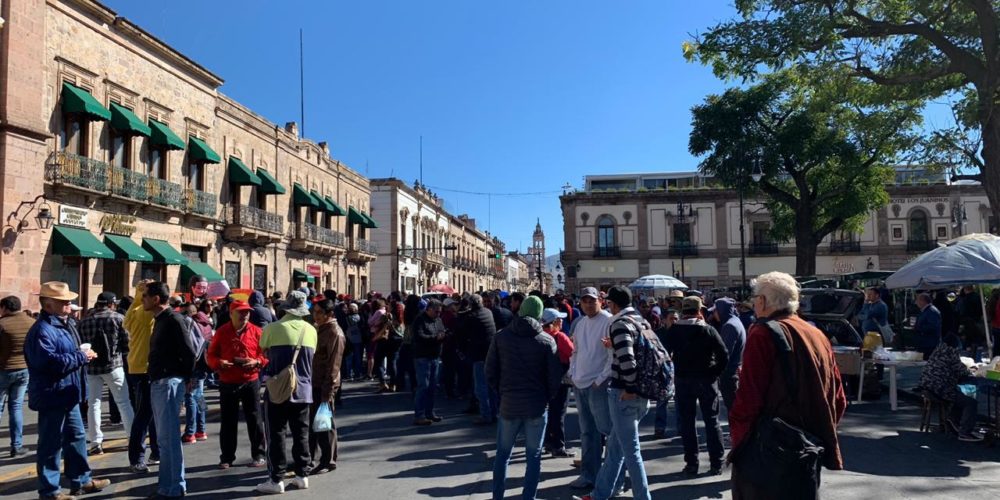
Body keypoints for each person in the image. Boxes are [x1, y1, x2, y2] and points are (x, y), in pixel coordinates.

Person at [729, 271, 847, 499]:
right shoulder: (816, 333)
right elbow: (839, 397)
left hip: (771, 451)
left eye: (755, 299)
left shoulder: (763, 333)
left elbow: (748, 399)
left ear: (762, 301)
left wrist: (739, 441)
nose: (754, 304)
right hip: (808, 449)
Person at [25, 282, 110, 499]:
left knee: (77, 436)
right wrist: (82, 357)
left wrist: (82, 354)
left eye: (68, 301)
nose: (68, 305)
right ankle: (50, 490)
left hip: (67, 392)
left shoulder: (65, 323)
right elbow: (49, 363)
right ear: (49, 305)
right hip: (52, 393)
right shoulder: (43, 329)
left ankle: (81, 480)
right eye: (63, 302)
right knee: (51, 444)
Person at [577, 286, 652, 500]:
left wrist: (629, 388)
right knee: (615, 449)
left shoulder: (618, 323)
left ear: (613, 304)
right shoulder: (640, 320)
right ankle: (599, 494)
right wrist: (613, 345)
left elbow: (628, 361)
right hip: (641, 394)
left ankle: (643, 497)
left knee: (630, 452)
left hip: (624, 395)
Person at [486, 296, 562, 500]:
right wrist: (547, 396)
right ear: (539, 314)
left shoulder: (501, 337)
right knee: (534, 456)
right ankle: (528, 496)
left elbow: (490, 371)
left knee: (502, 455)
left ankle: (497, 496)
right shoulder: (546, 340)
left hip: (509, 403)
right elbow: (554, 377)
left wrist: (502, 392)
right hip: (536, 405)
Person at [256, 291, 318, 494]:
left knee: (276, 433)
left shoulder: (272, 328)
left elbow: (263, 351)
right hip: (304, 389)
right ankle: (302, 475)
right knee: (301, 433)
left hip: (278, 390)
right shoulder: (311, 330)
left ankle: (276, 479)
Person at [144, 281, 197, 499]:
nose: (143, 299)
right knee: (164, 440)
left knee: (169, 439)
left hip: (168, 382)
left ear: (157, 299)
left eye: (146, 295)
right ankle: (166, 486)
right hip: (161, 381)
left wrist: (186, 378)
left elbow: (189, 351)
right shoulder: (161, 320)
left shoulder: (173, 319)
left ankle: (175, 486)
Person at [666, 296, 729, 476]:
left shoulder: (674, 330)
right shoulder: (708, 330)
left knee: (687, 422)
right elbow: (724, 354)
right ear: (699, 310)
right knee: (712, 421)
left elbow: (663, 353)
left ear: (683, 311)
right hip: (706, 380)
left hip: (683, 379)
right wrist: (714, 372)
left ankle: (691, 463)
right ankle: (716, 463)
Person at [567, 287, 619, 491]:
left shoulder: (608, 321)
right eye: (585, 300)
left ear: (601, 301)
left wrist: (601, 379)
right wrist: (572, 372)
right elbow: (576, 350)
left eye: (592, 300)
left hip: (598, 385)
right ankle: (589, 475)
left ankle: (612, 479)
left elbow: (612, 354)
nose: (588, 304)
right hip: (580, 383)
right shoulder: (580, 323)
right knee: (587, 432)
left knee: (608, 431)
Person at [205, 300, 267, 469]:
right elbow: (211, 356)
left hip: (250, 380)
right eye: (241, 312)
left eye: (247, 312)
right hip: (228, 382)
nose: (244, 315)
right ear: (231, 313)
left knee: (254, 419)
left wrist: (256, 361)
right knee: (228, 422)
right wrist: (220, 363)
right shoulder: (222, 332)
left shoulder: (257, 331)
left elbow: (265, 354)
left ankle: (259, 455)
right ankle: (226, 457)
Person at [78, 292, 134, 456]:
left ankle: (96, 442)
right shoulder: (118, 318)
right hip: (113, 366)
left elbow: (79, 344)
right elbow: (126, 344)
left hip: (91, 368)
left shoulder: (85, 321)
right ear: (111, 303)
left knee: (93, 405)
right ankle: (132, 436)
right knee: (124, 402)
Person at [124, 280, 160, 472]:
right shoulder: (143, 312)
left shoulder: (133, 309)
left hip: (138, 366)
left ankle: (155, 451)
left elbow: (126, 323)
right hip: (145, 367)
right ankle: (138, 456)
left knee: (150, 414)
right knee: (145, 415)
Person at [918, 334, 982, 441]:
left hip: (927, 386)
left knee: (959, 395)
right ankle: (965, 432)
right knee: (970, 402)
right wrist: (973, 369)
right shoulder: (951, 352)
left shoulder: (938, 351)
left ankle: (953, 420)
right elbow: (962, 371)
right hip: (939, 389)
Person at [309, 299, 345, 473]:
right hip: (314, 381)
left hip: (325, 384)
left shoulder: (335, 333)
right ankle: (311, 457)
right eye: (314, 311)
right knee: (314, 423)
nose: (315, 315)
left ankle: (328, 460)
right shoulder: (319, 329)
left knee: (325, 423)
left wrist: (328, 390)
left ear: (329, 314)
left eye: (318, 312)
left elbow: (334, 365)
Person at [0, 295, 34, 458]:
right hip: (24, 369)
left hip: (4, 369)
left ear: (5, 308)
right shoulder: (31, 323)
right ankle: (16, 445)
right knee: (16, 408)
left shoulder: (2, 324)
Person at [541, 308, 575, 457]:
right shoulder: (560, 336)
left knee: (549, 412)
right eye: (559, 320)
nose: (562, 321)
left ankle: (548, 442)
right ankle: (559, 446)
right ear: (553, 322)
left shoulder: (541, 336)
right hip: (562, 379)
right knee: (560, 413)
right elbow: (573, 352)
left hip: (546, 378)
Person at [460, 294, 498, 425]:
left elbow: (463, 333)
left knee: (480, 387)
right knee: (491, 386)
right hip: (492, 353)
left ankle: (485, 415)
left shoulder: (472, 317)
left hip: (479, 355)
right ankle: (494, 413)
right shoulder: (488, 312)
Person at [412, 300, 447, 425]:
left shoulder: (438, 320)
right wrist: (435, 338)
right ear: (429, 309)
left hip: (435, 356)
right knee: (423, 386)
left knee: (432, 386)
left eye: (439, 312)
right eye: (436, 311)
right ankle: (419, 414)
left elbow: (442, 330)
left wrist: (443, 335)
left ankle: (429, 412)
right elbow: (419, 336)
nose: (438, 314)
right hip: (423, 356)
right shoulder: (420, 320)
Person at [712, 297, 745, 412]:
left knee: (734, 409)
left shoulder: (729, 326)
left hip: (729, 374)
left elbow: (724, 352)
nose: (714, 314)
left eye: (715, 311)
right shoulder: (735, 322)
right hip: (734, 371)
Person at [651, 308, 680, 439]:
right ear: (664, 320)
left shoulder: (682, 333)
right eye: (671, 319)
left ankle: (681, 427)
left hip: (679, 371)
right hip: (663, 372)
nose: (674, 321)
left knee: (680, 401)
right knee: (661, 401)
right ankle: (660, 427)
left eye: (676, 319)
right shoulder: (658, 334)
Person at [915, 293, 943, 360]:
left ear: (923, 301)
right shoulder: (926, 310)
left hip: (930, 344)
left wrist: (919, 328)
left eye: (917, 300)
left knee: (930, 363)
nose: (916, 303)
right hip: (926, 343)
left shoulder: (931, 311)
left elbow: (933, 326)